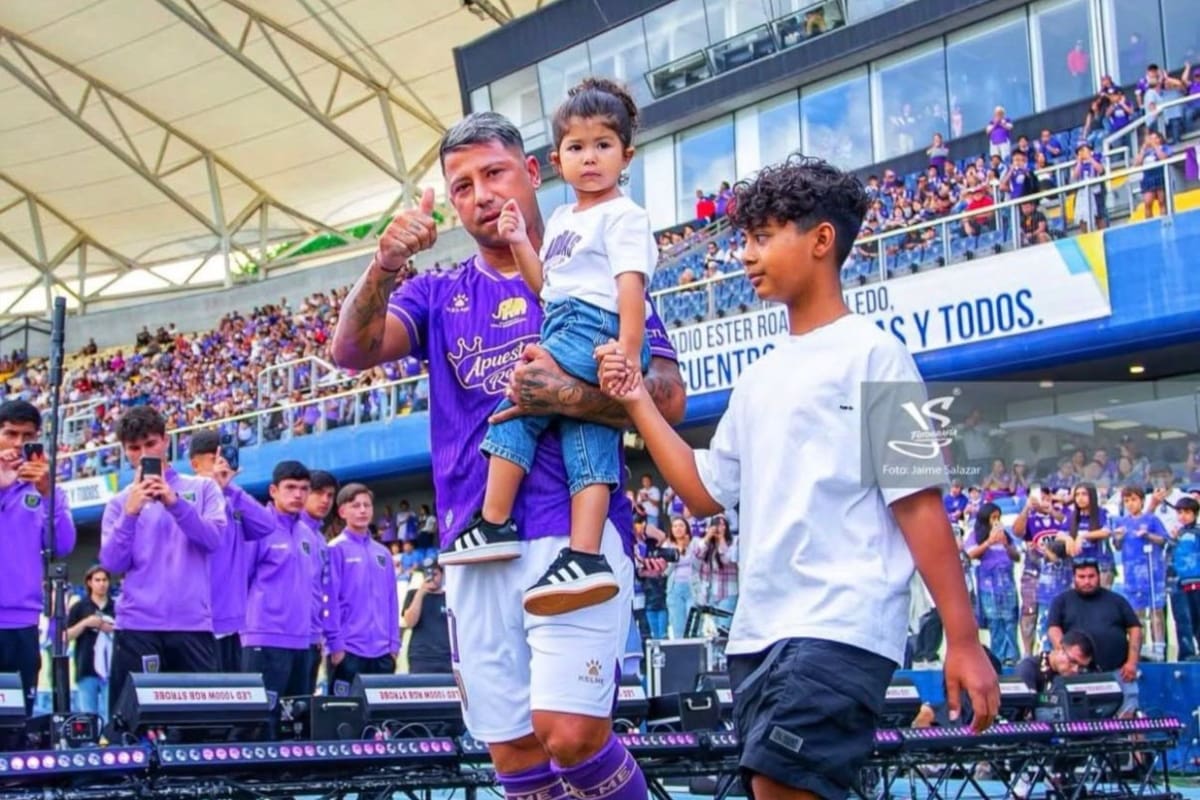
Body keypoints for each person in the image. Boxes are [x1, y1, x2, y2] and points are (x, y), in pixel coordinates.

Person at [596, 155, 999, 800]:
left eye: (763, 237)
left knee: (780, 787)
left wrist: (964, 638)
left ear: (820, 240)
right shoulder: (758, 376)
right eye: (745, 241)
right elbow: (702, 493)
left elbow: (918, 504)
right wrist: (637, 402)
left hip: (840, 626)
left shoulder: (875, 353)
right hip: (757, 635)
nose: (747, 256)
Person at [330, 110, 686, 800]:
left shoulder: (594, 267)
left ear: (531, 173)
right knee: (516, 756)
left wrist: (575, 396)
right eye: (461, 186)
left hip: (571, 536)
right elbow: (351, 351)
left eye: (493, 173)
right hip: (475, 546)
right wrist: (384, 263)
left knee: (573, 734)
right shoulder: (436, 292)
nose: (480, 194)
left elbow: (668, 396)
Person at [441, 78, 657, 618]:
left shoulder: (623, 215)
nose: (590, 159)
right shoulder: (563, 220)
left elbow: (630, 286)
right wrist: (518, 241)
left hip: (595, 327)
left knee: (519, 400)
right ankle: (585, 557)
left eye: (603, 145)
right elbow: (545, 288)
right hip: (565, 316)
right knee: (587, 439)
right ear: (557, 159)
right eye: (577, 148)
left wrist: (627, 353)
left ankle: (493, 520)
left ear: (625, 155)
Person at [100, 407, 225, 718]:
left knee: (201, 727)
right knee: (132, 724)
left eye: (150, 444)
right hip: (137, 626)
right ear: (125, 451)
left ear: (166, 441)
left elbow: (214, 540)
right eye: (134, 448)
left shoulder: (202, 488)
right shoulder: (120, 502)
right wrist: (130, 514)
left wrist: (174, 503)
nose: (143, 454)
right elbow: (113, 563)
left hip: (192, 625)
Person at [0, 399, 76, 715]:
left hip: (23, 624)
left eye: (27, 437)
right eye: (10, 434)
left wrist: (47, 494)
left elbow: (63, 545)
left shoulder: (46, 489)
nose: (19, 444)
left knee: (17, 724)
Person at [188, 429, 276, 672]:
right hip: (196, 624)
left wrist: (229, 489)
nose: (221, 464)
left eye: (224, 457)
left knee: (233, 704)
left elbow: (267, 525)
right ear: (195, 464)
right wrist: (211, 487)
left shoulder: (232, 499)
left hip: (232, 623)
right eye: (213, 459)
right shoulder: (184, 498)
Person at [243, 461, 323, 709]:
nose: (298, 495)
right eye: (290, 487)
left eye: (304, 488)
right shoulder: (257, 527)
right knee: (260, 722)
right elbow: (241, 580)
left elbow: (314, 589)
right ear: (273, 491)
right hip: (263, 639)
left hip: (302, 641)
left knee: (296, 723)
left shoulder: (309, 535)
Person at [327, 483, 399, 693]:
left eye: (367, 505)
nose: (362, 510)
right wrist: (336, 645)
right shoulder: (335, 549)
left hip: (383, 652)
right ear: (342, 511)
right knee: (344, 717)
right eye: (355, 505)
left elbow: (391, 601)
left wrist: (393, 646)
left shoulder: (383, 553)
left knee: (381, 721)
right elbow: (329, 600)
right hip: (348, 651)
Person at [1047, 559, 1142, 716]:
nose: (1087, 581)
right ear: (1074, 578)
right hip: (1079, 675)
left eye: (1091, 576)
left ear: (1099, 576)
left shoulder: (1116, 600)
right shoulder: (1061, 601)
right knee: (1079, 721)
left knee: (1130, 719)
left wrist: (1132, 662)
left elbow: (1135, 629)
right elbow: (1053, 628)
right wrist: (1066, 658)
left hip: (1118, 672)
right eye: (1081, 576)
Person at [66, 566, 115, 722]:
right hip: (86, 667)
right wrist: (85, 623)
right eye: (97, 580)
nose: (101, 584)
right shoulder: (79, 607)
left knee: (112, 714)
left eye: (105, 580)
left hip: (112, 669)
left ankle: (111, 744)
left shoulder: (117, 607)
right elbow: (65, 636)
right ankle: (90, 744)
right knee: (88, 717)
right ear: (89, 583)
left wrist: (111, 628)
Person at [402, 559, 453, 674]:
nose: (430, 578)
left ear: (442, 574)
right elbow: (410, 622)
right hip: (421, 656)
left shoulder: (450, 597)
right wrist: (421, 593)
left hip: (446, 657)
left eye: (434, 574)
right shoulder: (413, 594)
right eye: (427, 574)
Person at [1014, 629, 1096, 694]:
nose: (1075, 669)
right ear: (1060, 648)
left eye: (1081, 667)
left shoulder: (1082, 674)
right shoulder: (1028, 668)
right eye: (1072, 661)